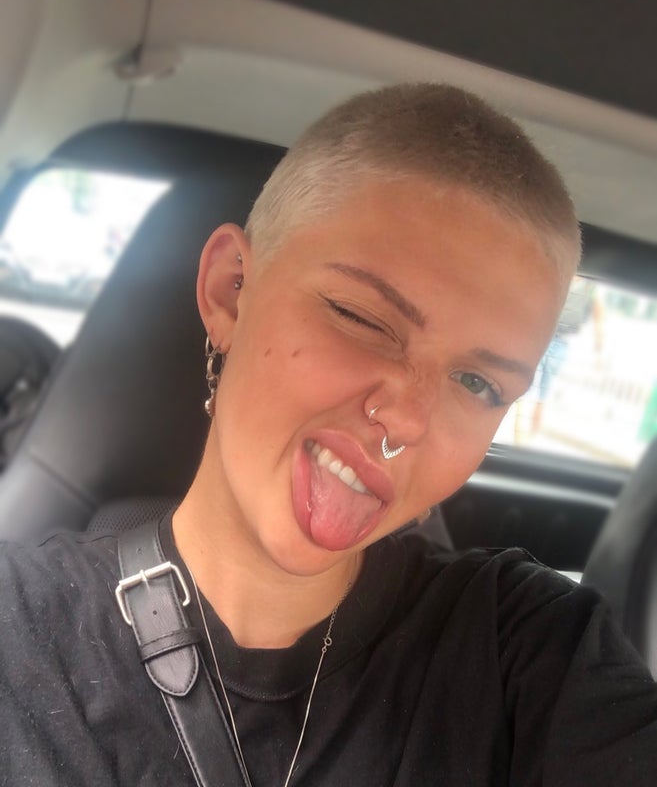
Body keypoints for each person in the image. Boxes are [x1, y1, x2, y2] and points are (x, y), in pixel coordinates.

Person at [1, 83, 656, 786]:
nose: (408, 420)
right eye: (361, 318)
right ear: (230, 291)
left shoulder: (529, 652)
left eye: (478, 384)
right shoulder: (19, 631)